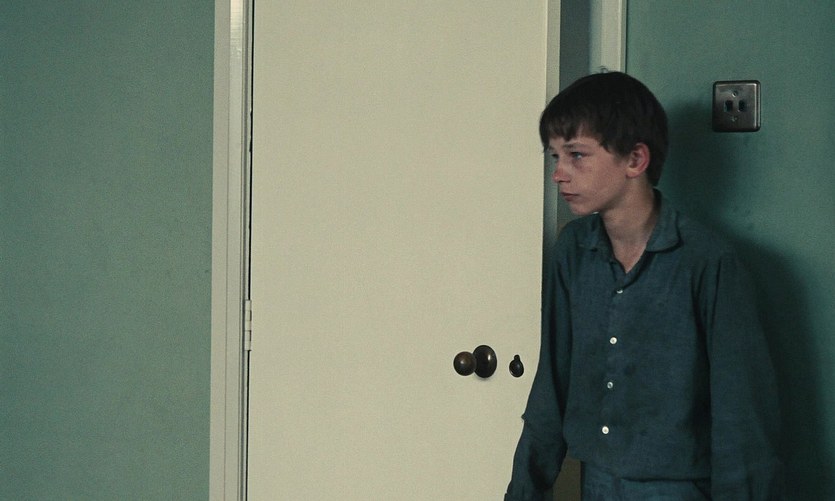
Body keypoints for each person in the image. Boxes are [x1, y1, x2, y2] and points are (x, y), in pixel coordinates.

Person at [505, 72, 782, 500]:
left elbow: (742, 420)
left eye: (576, 155)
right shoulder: (573, 251)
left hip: (682, 489)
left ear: (635, 160)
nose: (558, 173)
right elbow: (551, 387)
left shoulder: (707, 262)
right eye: (555, 156)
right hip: (596, 483)